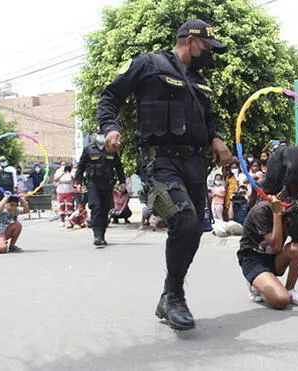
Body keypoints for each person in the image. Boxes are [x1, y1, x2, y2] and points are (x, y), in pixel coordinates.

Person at [96, 19, 232, 330]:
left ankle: (169, 295)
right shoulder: (148, 64)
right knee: (183, 219)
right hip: (159, 162)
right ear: (190, 41)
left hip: (194, 165)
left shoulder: (200, 81)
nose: (210, 53)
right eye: (208, 47)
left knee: (194, 228)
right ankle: (174, 297)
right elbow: (109, 97)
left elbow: (208, 122)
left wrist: (216, 137)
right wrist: (111, 127)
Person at [237, 194, 298, 309]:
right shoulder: (261, 211)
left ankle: (290, 290)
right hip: (252, 260)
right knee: (281, 300)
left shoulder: (293, 212)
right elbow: (276, 247)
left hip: (273, 259)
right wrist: (276, 215)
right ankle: (256, 285)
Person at [75, 130, 126, 248]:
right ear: (94, 136)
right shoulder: (88, 150)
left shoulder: (112, 149)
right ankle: (97, 236)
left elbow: (119, 167)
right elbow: (80, 167)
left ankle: (102, 235)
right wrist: (78, 182)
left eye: (103, 134)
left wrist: (122, 182)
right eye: (98, 134)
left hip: (107, 184)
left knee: (104, 209)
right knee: (96, 207)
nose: (101, 136)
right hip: (93, 183)